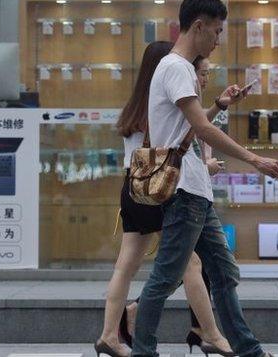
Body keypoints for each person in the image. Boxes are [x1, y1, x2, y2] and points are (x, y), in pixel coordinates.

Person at [132, 0, 278, 357]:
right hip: (184, 192)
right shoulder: (176, 67)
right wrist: (254, 159)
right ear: (198, 27)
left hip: (194, 190)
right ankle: (142, 351)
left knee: (223, 272)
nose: (218, 41)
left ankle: (248, 350)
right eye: (216, 32)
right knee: (165, 278)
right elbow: (200, 130)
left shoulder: (177, 69)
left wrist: (220, 104)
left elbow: (187, 130)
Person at [97, 41, 234, 357]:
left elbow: (190, 129)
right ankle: (210, 333)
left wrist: (217, 106)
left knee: (125, 267)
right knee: (191, 263)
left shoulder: (134, 106)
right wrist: (206, 165)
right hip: (159, 188)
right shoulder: (162, 104)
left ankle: (109, 335)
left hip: (133, 186)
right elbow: (184, 139)